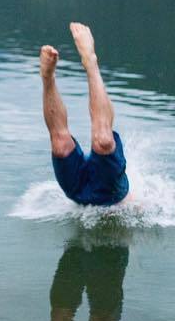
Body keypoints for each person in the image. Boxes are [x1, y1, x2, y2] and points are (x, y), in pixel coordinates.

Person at [40, 22, 130, 206]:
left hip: (111, 195)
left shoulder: (137, 202)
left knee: (103, 141)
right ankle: (48, 78)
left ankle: (90, 61)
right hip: (80, 192)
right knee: (60, 144)